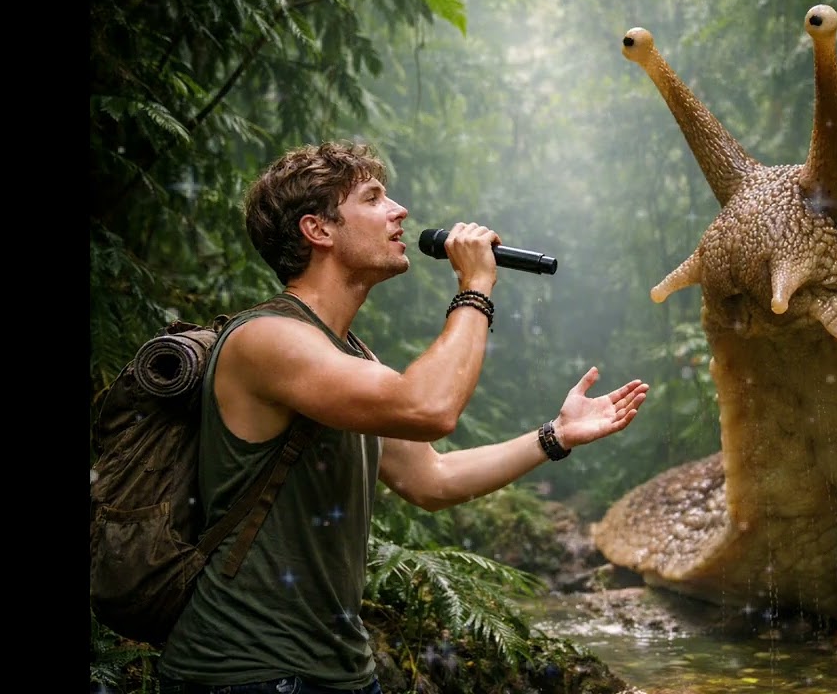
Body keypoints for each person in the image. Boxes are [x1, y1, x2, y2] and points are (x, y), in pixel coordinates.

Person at [157, 140, 651, 694]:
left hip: (339, 672)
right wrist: (476, 285)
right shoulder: (267, 341)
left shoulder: (350, 359)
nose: (400, 211)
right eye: (373, 198)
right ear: (318, 230)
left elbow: (429, 479)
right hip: (247, 674)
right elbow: (429, 407)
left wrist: (555, 436)